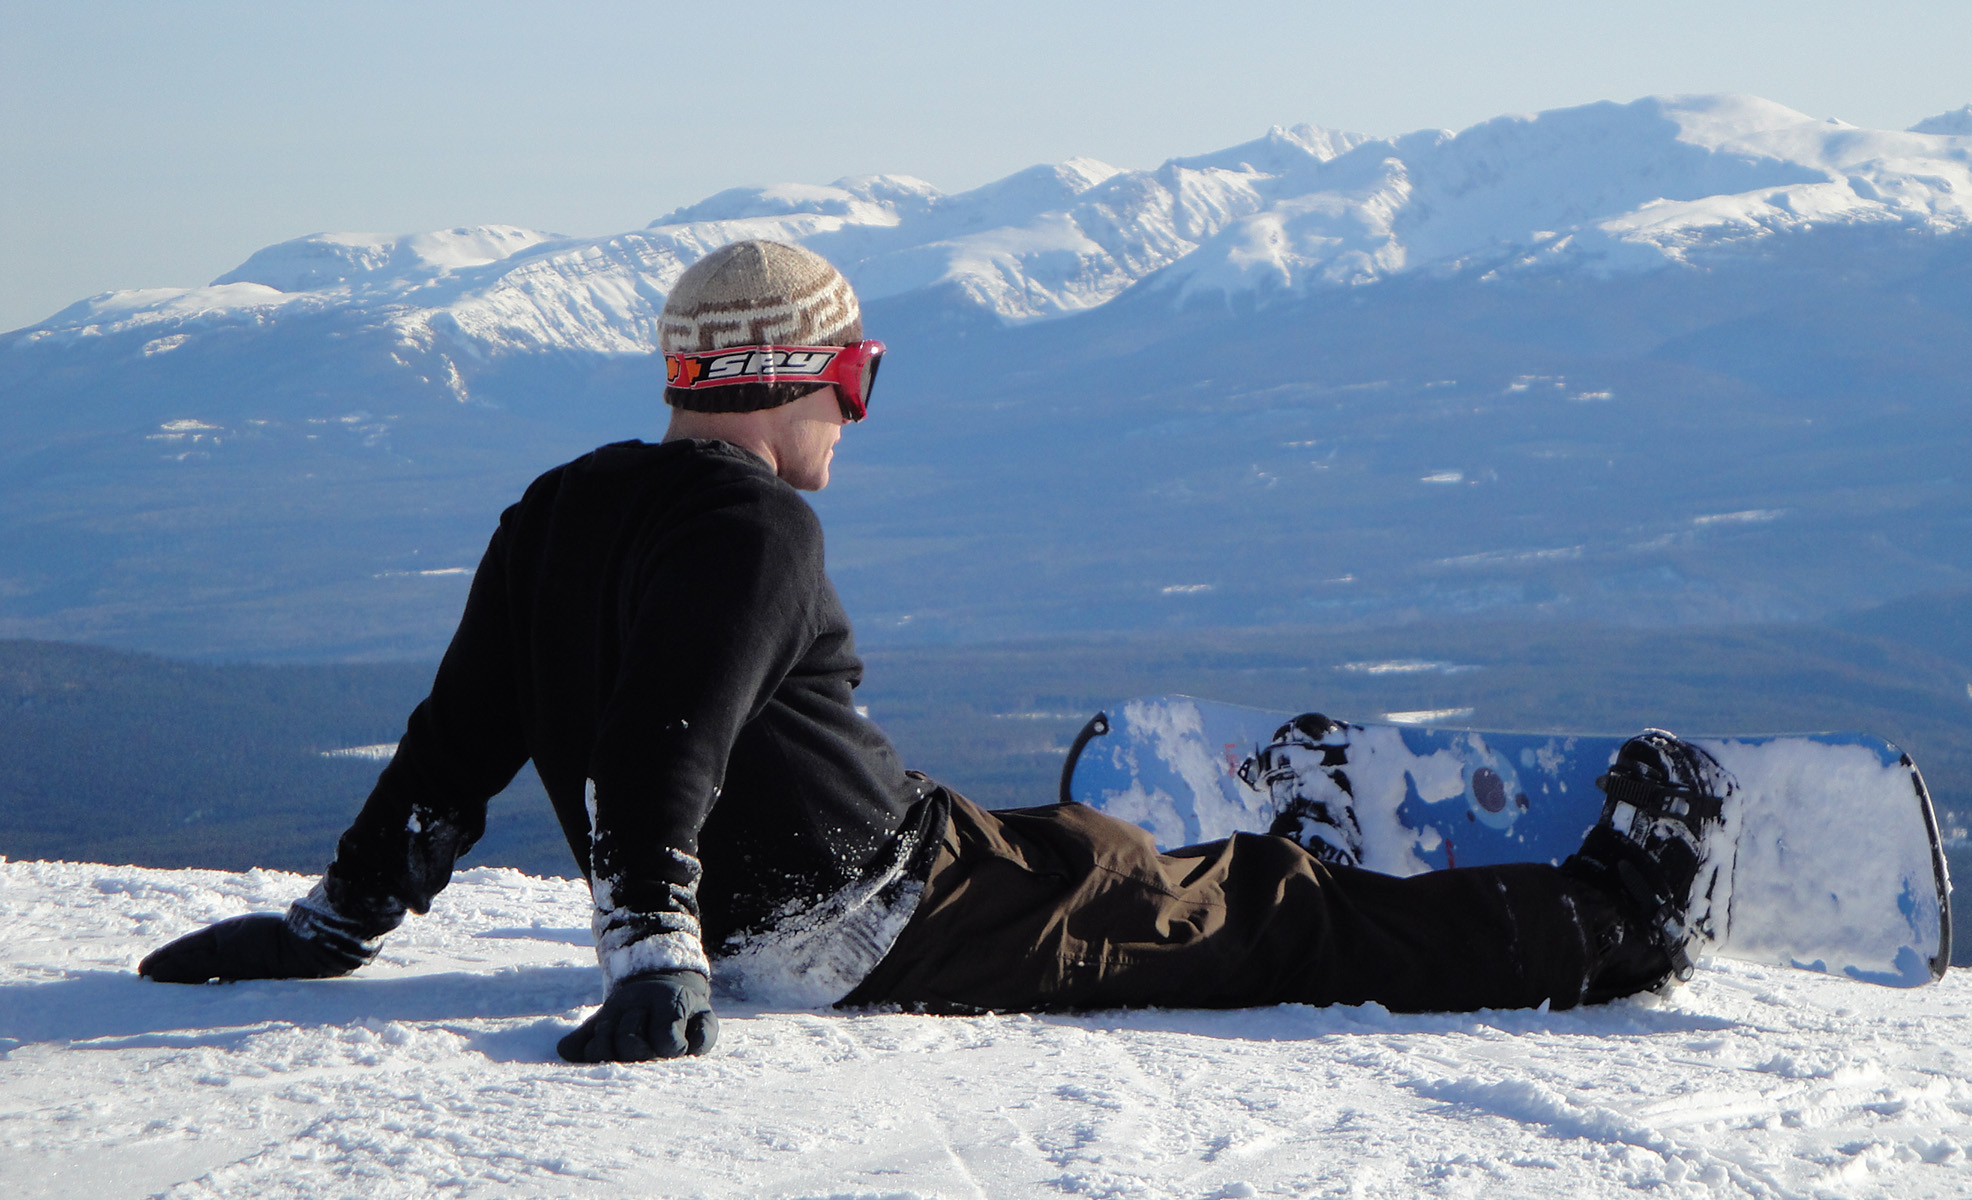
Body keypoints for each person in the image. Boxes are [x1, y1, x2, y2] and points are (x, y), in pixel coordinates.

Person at [138, 240, 1728, 1064]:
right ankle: (1613, 927)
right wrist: (651, 957)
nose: (855, 412)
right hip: (881, 917)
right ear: (805, 376)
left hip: (872, 875)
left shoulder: (560, 505)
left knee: (1097, 850)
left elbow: (456, 739)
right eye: (859, 376)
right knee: (1273, 918)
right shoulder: (758, 526)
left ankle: (1202, 860)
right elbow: (662, 743)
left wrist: (334, 923)